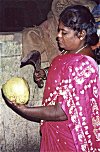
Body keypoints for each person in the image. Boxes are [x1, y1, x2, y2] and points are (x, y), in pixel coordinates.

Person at [2, 5, 100, 152]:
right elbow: (65, 75)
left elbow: (61, 112)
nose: (58, 36)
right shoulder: (72, 51)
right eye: (59, 30)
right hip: (56, 130)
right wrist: (45, 72)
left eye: (64, 32)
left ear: (81, 34)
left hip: (68, 137)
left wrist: (24, 110)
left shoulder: (83, 66)